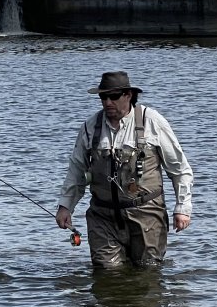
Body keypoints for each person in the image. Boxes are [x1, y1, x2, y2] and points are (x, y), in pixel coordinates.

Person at [55, 71, 193, 271]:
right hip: (102, 217)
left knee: (148, 273)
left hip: (146, 216)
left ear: (128, 95)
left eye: (113, 96)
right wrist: (65, 206)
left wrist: (182, 208)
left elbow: (179, 170)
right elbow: (76, 171)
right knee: (106, 273)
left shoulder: (152, 121)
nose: (107, 102)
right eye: (103, 97)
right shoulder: (90, 127)